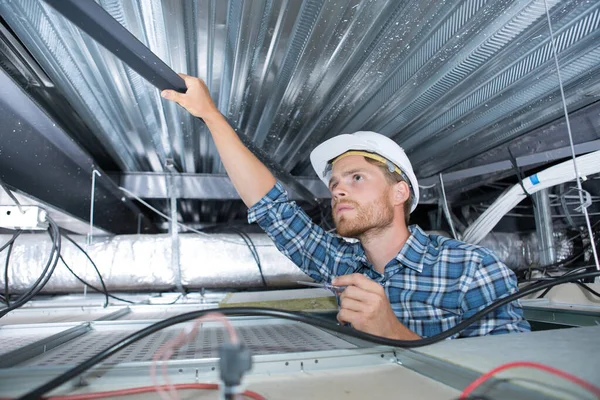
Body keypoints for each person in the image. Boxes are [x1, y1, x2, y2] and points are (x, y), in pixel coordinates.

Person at [162, 74, 531, 340]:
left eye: (356, 178)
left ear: (399, 192)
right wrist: (210, 115)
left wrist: (394, 332)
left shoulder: (471, 269)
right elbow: (272, 207)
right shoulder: (340, 263)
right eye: (335, 184)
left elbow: (513, 379)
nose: (337, 191)